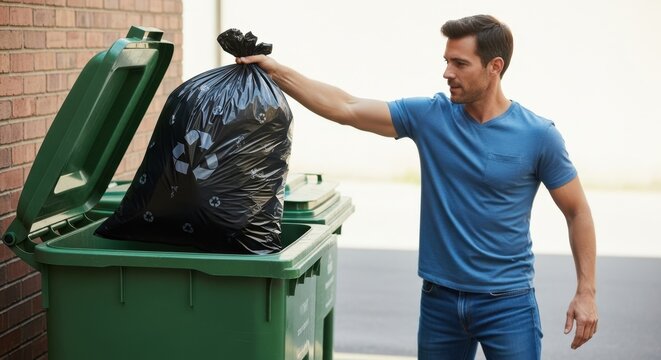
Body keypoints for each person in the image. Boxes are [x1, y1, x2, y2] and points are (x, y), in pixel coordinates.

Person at [237, 14, 598, 359]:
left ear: (495, 67)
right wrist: (275, 70)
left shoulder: (538, 136)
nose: (447, 73)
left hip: (507, 304)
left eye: (460, 63)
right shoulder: (431, 116)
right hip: (440, 302)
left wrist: (586, 292)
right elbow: (346, 107)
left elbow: (577, 210)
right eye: (446, 61)